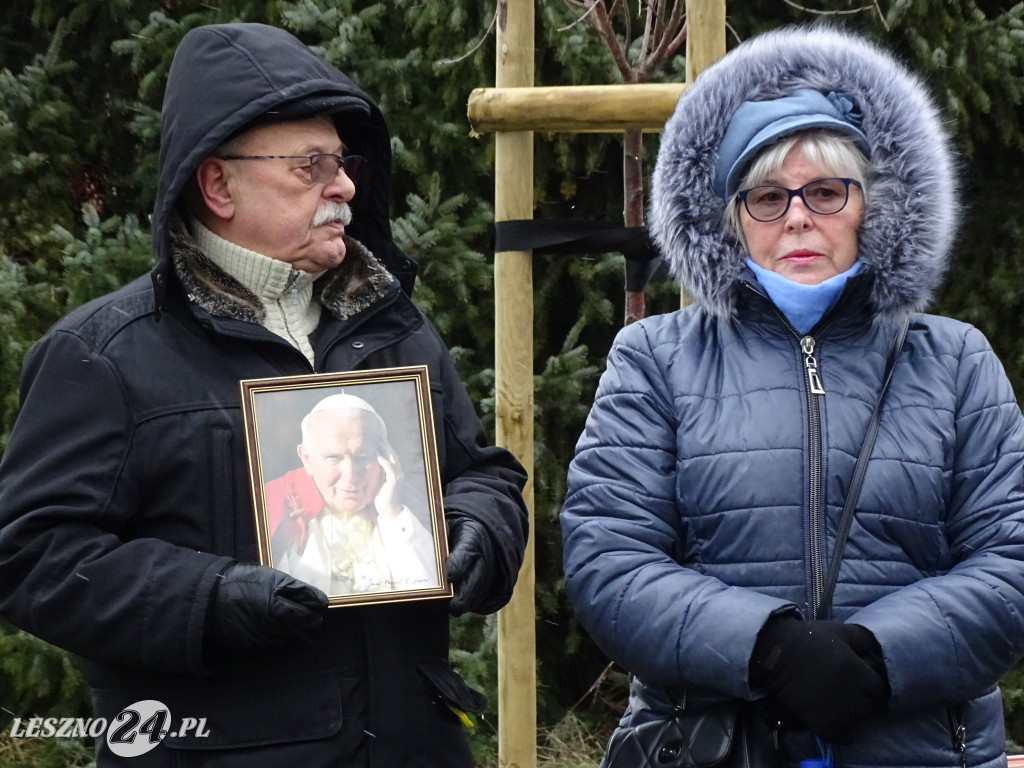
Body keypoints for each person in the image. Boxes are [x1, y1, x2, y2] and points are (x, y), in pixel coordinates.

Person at [0, 22, 528, 768]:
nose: (343, 185)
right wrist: (209, 598)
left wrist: (477, 532)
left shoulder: (391, 326)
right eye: (309, 166)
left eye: (342, 162)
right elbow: (29, 555)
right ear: (217, 185)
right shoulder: (107, 355)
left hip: (417, 745)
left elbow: (482, 473)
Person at [560, 25, 1024, 768]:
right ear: (732, 219)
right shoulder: (655, 360)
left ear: (871, 206)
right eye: (769, 196)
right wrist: (766, 648)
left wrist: (879, 655)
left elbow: (1010, 558)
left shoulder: (955, 360)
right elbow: (609, 557)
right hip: (719, 747)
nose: (799, 216)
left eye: (827, 192)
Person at [266, 393, 439, 595]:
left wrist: (391, 512)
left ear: (384, 457)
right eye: (333, 458)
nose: (350, 475)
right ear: (306, 458)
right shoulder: (277, 506)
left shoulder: (410, 505)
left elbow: (427, 594)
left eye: (363, 457)